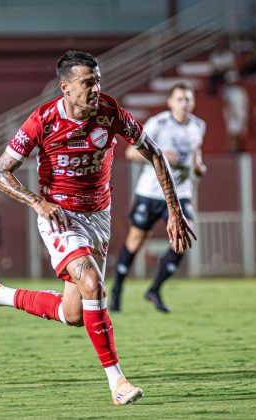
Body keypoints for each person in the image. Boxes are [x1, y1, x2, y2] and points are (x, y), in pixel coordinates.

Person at [0, 51, 195, 406]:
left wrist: (175, 211)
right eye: (88, 83)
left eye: (98, 81)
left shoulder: (110, 112)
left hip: (98, 216)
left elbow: (155, 153)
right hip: (60, 217)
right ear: (66, 88)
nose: (96, 89)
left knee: (74, 314)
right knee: (92, 283)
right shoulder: (43, 120)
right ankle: (117, 381)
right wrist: (38, 202)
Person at [110, 83, 206, 314]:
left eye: (188, 99)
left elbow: (196, 155)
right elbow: (130, 152)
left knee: (184, 238)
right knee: (135, 242)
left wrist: (199, 166)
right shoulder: (158, 123)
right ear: (170, 102)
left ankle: (154, 289)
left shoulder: (198, 126)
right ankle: (117, 289)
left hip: (180, 194)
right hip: (151, 192)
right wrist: (160, 155)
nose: (184, 103)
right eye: (180, 99)